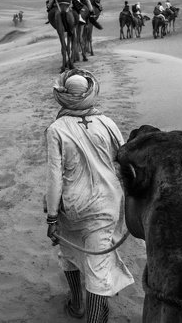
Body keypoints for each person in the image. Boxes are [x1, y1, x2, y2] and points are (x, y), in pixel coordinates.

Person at [45, 69, 134, 322]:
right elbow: (125, 162)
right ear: (88, 94)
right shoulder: (108, 123)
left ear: (64, 96)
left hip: (71, 206)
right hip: (105, 206)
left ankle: (77, 305)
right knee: (99, 269)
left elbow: (54, 178)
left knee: (68, 254)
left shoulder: (56, 129)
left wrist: (51, 218)